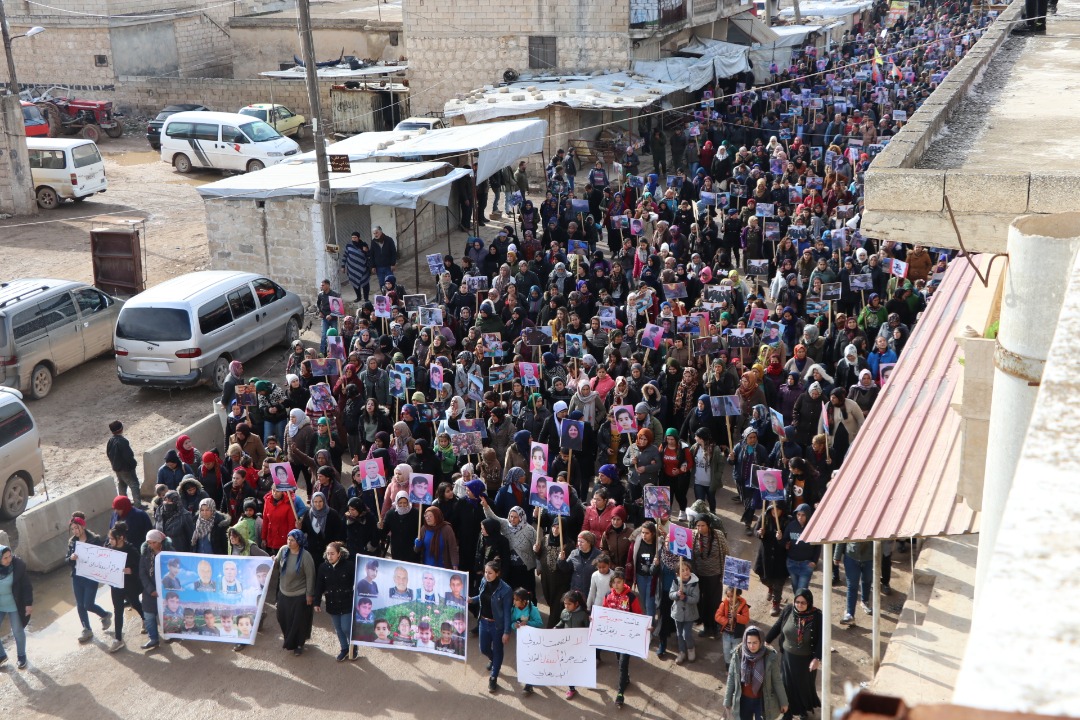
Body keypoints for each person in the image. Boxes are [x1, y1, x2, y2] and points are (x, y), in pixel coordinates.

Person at [766, 588, 823, 720]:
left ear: (809, 602)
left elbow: (822, 639)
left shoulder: (817, 617)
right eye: (797, 601)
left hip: (806, 660)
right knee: (786, 685)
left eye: (803, 602)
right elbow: (777, 626)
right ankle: (788, 712)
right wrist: (766, 640)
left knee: (802, 686)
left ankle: (802, 710)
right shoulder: (788, 610)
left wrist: (817, 658)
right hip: (787, 657)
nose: (799, 605)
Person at [602, 567, 647, 708]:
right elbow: (604, 612)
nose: (616, 585)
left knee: (622, 664)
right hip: (614, 637)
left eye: (619, 582)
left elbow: (638, 615)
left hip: (627, 638)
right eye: (614, 582)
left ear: (624, 582)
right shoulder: (608, 596)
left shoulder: (631, 597)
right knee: (618, 660)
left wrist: (643, 627)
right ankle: (626, 679)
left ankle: (620, 693)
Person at [723, 627, 788, 720]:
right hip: (743, 700)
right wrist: (727, 701)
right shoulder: (738, 654)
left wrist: (784, 702)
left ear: (761, 641)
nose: (751, 646)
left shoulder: (770, 656)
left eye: (755, 643)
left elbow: (777, 681)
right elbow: (731, 679)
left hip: (762, 701)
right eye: (749, 642)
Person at [66, 515, 111, 644]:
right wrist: (71, 558)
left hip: (91, 576)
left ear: (83, 526)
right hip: (77, 576)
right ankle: (86, 628)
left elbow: (103, 556)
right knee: (80, 605)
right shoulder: (72, 542)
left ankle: (105, 615)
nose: (75, 531)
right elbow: (66, 560)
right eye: (73, 529)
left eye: (77, 528)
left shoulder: (94, 540)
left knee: (88, 604)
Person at [470, 560, 513, 693]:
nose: (487, 576)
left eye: (490, 573)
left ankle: (493, 677)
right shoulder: (483, 582)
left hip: (497, 626)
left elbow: (507, 612)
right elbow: (482, 596)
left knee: (498, 650)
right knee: (483, 648)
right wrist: (473, 599)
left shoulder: (506, 590)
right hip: (483, 622)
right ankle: (493, 660)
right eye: (485, 572)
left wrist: (506, 631)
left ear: (497, 573)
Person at [104, 523, 143, 653]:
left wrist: (130, 570)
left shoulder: (131, 550)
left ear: (120, 538)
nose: (109, 541)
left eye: (112, 539)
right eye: (109, 539)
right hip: (116, 585)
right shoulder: (108, 549)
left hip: (130, 584)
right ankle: (118, 638)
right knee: (118, 610)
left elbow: (140, 567)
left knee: (135, 603)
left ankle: (145, 619)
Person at [314, 541, 355, 662]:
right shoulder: (323, 567)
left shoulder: (349, 565)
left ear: (339, 554)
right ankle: (344, 649)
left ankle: (353, 646)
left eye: (332, 553)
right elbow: (319, 585)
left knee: (346, 627)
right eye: (327, 554)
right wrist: (317, 602)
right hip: (332, 602)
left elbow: (357, 582)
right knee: (338, 628)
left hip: (347, 602)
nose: (329, 556)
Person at [276, 529, 316, 656]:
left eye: (292, 540)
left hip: (299, 595)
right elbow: (276, 563)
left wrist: (309, 594)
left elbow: (311, 576)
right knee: (282, 617)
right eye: (288, 539)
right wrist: (271, 560)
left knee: (298, 622)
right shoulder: (283, 550)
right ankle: (290, 639)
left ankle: (299, 644)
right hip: (283, 592)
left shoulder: (305, 556)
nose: (289, 542)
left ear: (299, 541)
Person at [0, 545, 32, 668]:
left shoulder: (18, 567)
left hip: (15, 604)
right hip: (0, 605)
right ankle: (1, 655)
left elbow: (27, 587)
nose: (9, 560)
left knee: (17, 631)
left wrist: (28, 604)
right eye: (5, 558)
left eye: (10, 556)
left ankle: (21, 656)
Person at [554, 589, 589, 700]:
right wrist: (556, 627)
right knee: (568, 666)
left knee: (581, 666)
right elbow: (562, 622)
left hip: (580, 646)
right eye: (565, 603)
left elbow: (588, 629)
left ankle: (587, 678)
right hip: (567, 645)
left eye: (569, 604)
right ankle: (572, 689)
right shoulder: (564, 612)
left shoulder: (583, 615)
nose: (566, 606)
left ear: (576, 603)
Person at [835, 541, 875, 625]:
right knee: (852, 586)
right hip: (851, 557)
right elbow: (843, 536)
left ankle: (865, 601)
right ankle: (850, 614)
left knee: (867, 580)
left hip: (870, 557)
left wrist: (879, 558)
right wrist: (837, 555)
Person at [784, 504, 820, 594]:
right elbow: (784, 540)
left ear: (807, 515)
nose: (800, 517)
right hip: (792, 563)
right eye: (798, 514)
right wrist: (784, 543)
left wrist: (814, 561)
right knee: (795, 588)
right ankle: (799, 606)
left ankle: (800, 605)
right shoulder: (791, 526)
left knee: (802, 591)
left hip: (806, 565)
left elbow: (818, 546)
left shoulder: (813, 528)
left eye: (803, 515)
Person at [669, 560, 700, 664]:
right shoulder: (676, 581)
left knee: (686, 634)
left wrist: (685, 598)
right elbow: (671, 594)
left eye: (687, 569)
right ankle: (682, 651)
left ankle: (691, 649)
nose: (686, 572)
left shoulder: (694, 583)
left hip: (689, 614)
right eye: (682, 570)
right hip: (677, 613)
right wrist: (677, 595)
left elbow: (696, 598)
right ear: (678, 573)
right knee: (679, 634)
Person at [106, 420, 141, 508]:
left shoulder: (111, 440)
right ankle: (137, 505)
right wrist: (133, 464)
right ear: (121, 429)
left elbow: (108, 453)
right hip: (126, 468)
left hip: (117, 468)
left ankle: (123, 505)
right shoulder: (123, 441)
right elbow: (128, 456)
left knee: (122, 484)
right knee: (134, 485)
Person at [715, 587, 751, 667]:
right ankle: (728, 668)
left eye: (732, 596)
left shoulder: (743, 606)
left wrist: (736, 616)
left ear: (738, 596)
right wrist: (727, 621)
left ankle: (735, 668)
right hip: (726, 634)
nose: (730, 598)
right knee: (726, 651)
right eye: (728, 596)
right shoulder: (724, 604)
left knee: (736, 653)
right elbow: (717, 616)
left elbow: (746, 619)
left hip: (737, 635)